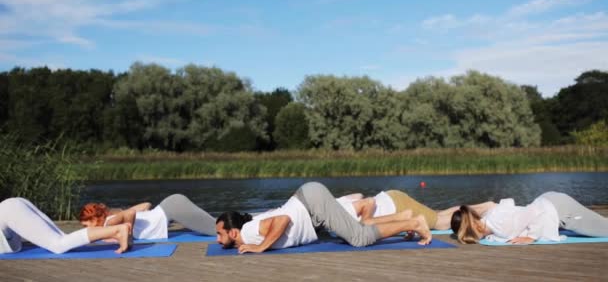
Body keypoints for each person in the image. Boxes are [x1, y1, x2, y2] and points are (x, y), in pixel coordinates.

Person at [215, 182, 432, 254]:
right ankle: (404, 219)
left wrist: (260, 247)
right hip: (309, 204)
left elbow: (281, 220)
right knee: (353, 230)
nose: (216, 239)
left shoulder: (248, 233)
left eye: (219, 234)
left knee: (359, 238)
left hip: (312, 204)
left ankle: (414, 223)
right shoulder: (249, 228)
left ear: (233, 232)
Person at [450, 191, 608, 244]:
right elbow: (508, 205)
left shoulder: (498, 224)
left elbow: (534, 213)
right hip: (549, 202)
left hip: (560, 210)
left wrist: (531, 237)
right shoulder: (489, 218)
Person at [0, 197, 132, 254]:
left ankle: (117, 230)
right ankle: (114, 232)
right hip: (12, 207)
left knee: (58, 244)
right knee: (64, 239)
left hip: (8, 212)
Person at [336, 190, 494, 230]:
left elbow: (367, 201)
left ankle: (484, 208)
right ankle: (484, 206)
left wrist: (366, 221)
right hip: (390, 197)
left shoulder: (337, 213)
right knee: (436, 214)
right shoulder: (334, 203)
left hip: (397, 206)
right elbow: (358, 194)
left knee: (439, 223)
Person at [80, 194, 216, 240]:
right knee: (216, 225)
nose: (85, 229)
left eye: (85, 225)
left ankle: (237, 231)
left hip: (173, 208)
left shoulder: (109, 224)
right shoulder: (112, 221)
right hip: (170, 207)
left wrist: (129, 233)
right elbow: (146, 205)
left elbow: (130, 214)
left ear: (93, 219)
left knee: (215, 229)